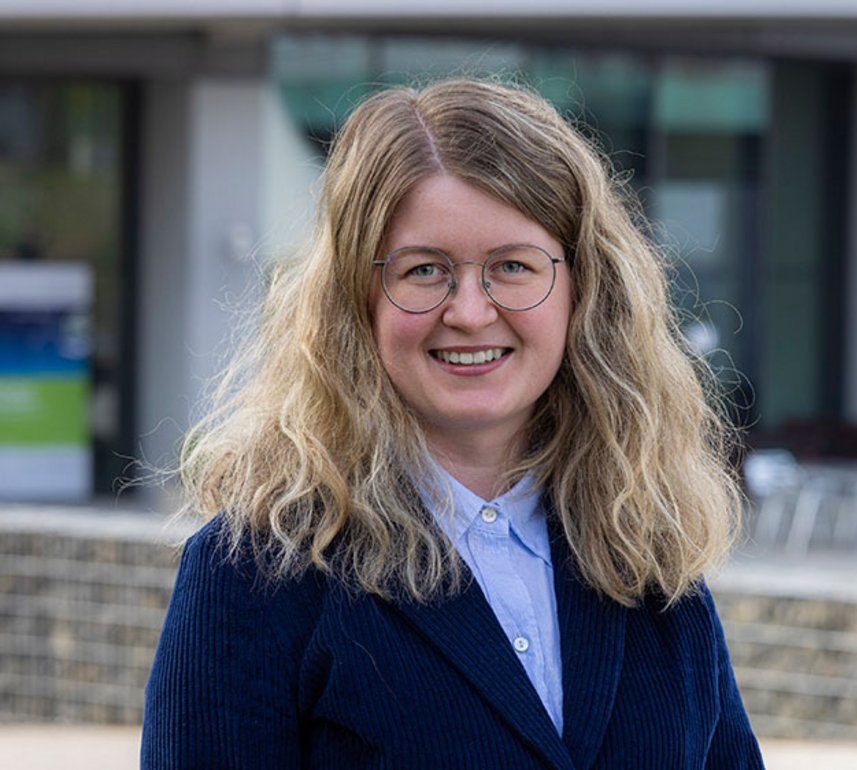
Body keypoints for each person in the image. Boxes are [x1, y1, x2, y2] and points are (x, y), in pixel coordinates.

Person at [142, 78, 764, 769]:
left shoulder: (645, 554)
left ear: (582, 292)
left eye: (514, 267)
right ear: (358, 299)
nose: (470, 310)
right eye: (424, 270)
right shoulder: (257, 574)